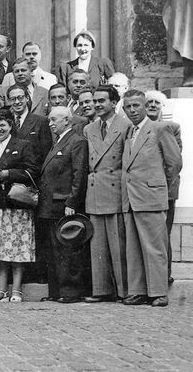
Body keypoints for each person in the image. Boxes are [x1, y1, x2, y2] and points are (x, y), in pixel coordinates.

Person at [121, 89, 181, 307]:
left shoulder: (159, 128)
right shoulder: (129, 131)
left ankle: (158, 292)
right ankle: (138, 291)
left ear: (146, 106)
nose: (132, 110)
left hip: (151, 196)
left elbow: (174, 162)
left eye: (137, 105)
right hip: (131, 198)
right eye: (128, 106)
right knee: (134, 247)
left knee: (155, 247)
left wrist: (158, 185)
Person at [0, 110, 39, 303]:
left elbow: (33, 171)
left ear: (10, 125)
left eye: (2, 125)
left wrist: (10, 173)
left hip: (16, 206)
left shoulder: (22, 145)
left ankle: (17, 290)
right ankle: (1, 290)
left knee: (17, 249)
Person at [83, 85, 131, 303]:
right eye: (95, 101)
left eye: (102, 100)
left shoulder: (126, 126)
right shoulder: (89, 128)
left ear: (114, 102)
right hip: (94, 191)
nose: (97, 105)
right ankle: (101, 290)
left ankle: (124, 291)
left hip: (115, 191)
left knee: (118, 245)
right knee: (98, 245)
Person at [37, 106, 89, 303]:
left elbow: (79, 174)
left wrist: (72, 202)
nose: (50, 124)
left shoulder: (77, 141)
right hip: (50, 204)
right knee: (53, 249)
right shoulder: (58, 141)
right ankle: (56, 291)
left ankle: (70, 292)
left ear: (67, 120)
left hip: (63, 204)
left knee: (67, 248)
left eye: (53, 120)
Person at [145, 90, 182, 284]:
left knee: (163, 232)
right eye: (149, 102)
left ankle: (165, 273)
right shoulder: (138, 128)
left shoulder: (171, 127)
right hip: (146, 189)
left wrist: (164, 186)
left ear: (162, 106)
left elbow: (173, 161)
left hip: (165, 189)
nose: (152, 105)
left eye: (156, 103)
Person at [2, 84, 52, 167]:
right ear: (9, 101)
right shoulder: (6, 122)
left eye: (20, 97)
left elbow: (45, 152)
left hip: (32, 172)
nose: (17, 102)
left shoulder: (40, 121)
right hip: (9, 173)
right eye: (13, 99)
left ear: (27, 98)